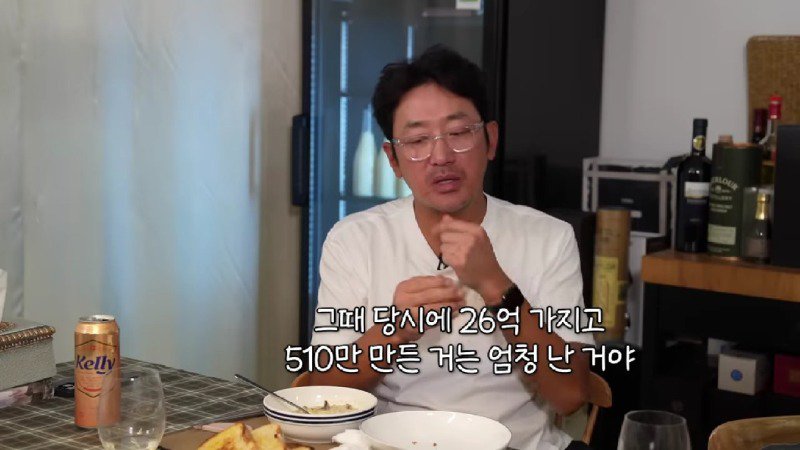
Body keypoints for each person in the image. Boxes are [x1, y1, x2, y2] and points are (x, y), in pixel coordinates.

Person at [309, 45, 594, 450]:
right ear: (393, 159)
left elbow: (571, 394)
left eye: (459, 133)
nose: (441, 156)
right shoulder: (353, 240)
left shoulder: (549, 238)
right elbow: (323, 392)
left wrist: (497, 287)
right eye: (417, 140)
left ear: (490, 140)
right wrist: (394, 330)